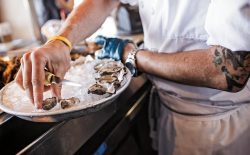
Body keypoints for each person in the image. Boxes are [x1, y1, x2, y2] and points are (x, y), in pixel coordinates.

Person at [15, 0, 250, 154]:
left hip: (221, 127)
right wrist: (61, 41)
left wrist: (131, 54)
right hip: (168, 111)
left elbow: (229, 70)